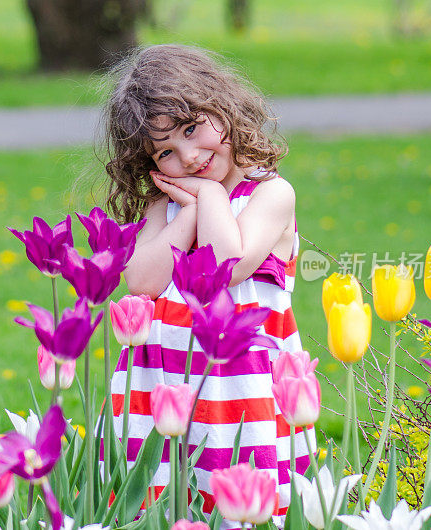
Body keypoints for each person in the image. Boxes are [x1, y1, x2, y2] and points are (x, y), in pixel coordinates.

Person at [99, 44, 315, 526]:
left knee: (238, 498)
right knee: (166, 500)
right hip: (163, 387)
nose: (190, 157)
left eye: (193, 129)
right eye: (166, 152)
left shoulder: (270, 194)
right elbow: (140, 281)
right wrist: (191, 212)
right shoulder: (169, 207)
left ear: (225, 107)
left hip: (242, 390)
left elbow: (229, 262)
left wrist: (213, 196)